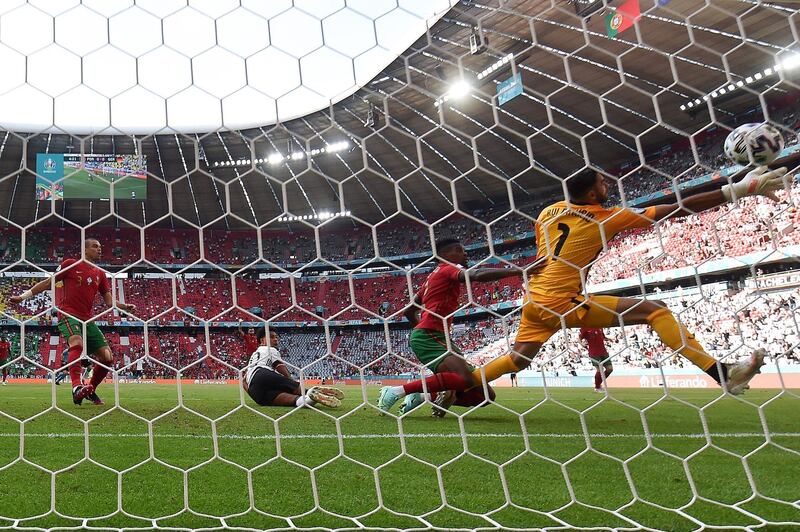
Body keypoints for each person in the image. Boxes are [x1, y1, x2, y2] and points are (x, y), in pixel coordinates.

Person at [470, 166, 789, 394]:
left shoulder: (548, 213)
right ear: (593, 192)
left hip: (534, 299)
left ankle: (461, 386)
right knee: (655, 310)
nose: (607, 186)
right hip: (562, 301)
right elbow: (678, 208)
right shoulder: (606, 218)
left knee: (516, 359)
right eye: (603, 183)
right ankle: (722, 374)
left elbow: (543, 258)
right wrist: (736, 191)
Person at [377, 237, 519, 416]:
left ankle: (424, 397)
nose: (465, 253)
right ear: (444, 255)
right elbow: (474, 276)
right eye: (459, 250)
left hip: (437, 336)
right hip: (430, 336)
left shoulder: (431, 278)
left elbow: (409, 312)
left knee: (485, 396)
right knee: (463, 379)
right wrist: (516, 270)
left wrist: (420, 329)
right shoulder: (447, 269)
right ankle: (396, 391)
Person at [9, 239, 136, 405]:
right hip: (68, 314)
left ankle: (90, 390)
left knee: (107, 357)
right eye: (95, 246)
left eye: (100, 247)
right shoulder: (70, 264)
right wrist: (22, 297)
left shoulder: (100, 274)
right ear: (84, 249)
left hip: (87, 319)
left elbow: (109, 301)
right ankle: (76, 387)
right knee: (77, 342)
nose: (99, 249)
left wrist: (124, 307)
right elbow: (48, 282)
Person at [243, 328, 343, 408]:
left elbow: (243, 382)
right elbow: (279, 366)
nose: (275, 339)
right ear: (262, 340)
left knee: (296, 400)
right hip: (263, 373)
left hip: (254, 389)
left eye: (276, 337)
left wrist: (252, 393)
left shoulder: (254, 356)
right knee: (298, 390)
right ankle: (312, 391)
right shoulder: (270, 349)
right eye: (272, 337)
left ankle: (310, 398)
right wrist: (291, 382)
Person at [579, 327, 612, 392]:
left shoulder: (600, 327)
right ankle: (597, 387)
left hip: (603, 352)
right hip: (594, 352)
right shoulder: (585, 328)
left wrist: (609, 339)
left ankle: (598, 383)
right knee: (600, 370)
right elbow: (579, 338)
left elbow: (603, 337)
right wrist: (582, 344)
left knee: (610, 369)